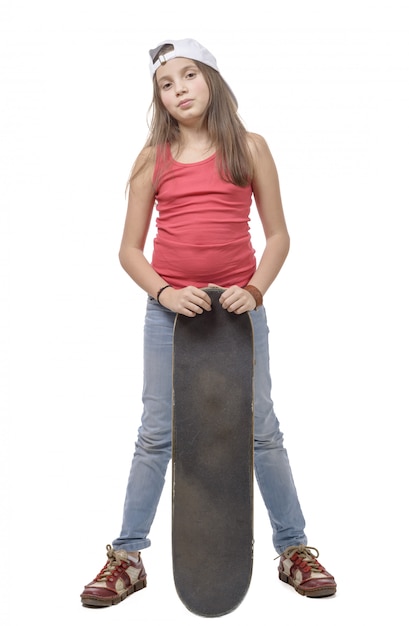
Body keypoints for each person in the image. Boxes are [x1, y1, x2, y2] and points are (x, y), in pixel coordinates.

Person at [80, 38, 336, 608]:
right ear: (160, 100)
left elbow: (278, 235)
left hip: (237, 316)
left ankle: (294, 549)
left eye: (188, 76)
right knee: (157, 432)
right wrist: (165, 293)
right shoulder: (153, 157)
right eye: (166, 85)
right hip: (170, 315)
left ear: (212, 79)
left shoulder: (249, 146)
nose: (178, 90)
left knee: (260, 428)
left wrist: (254, 289)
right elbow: (129, 250)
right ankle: (126, 557)